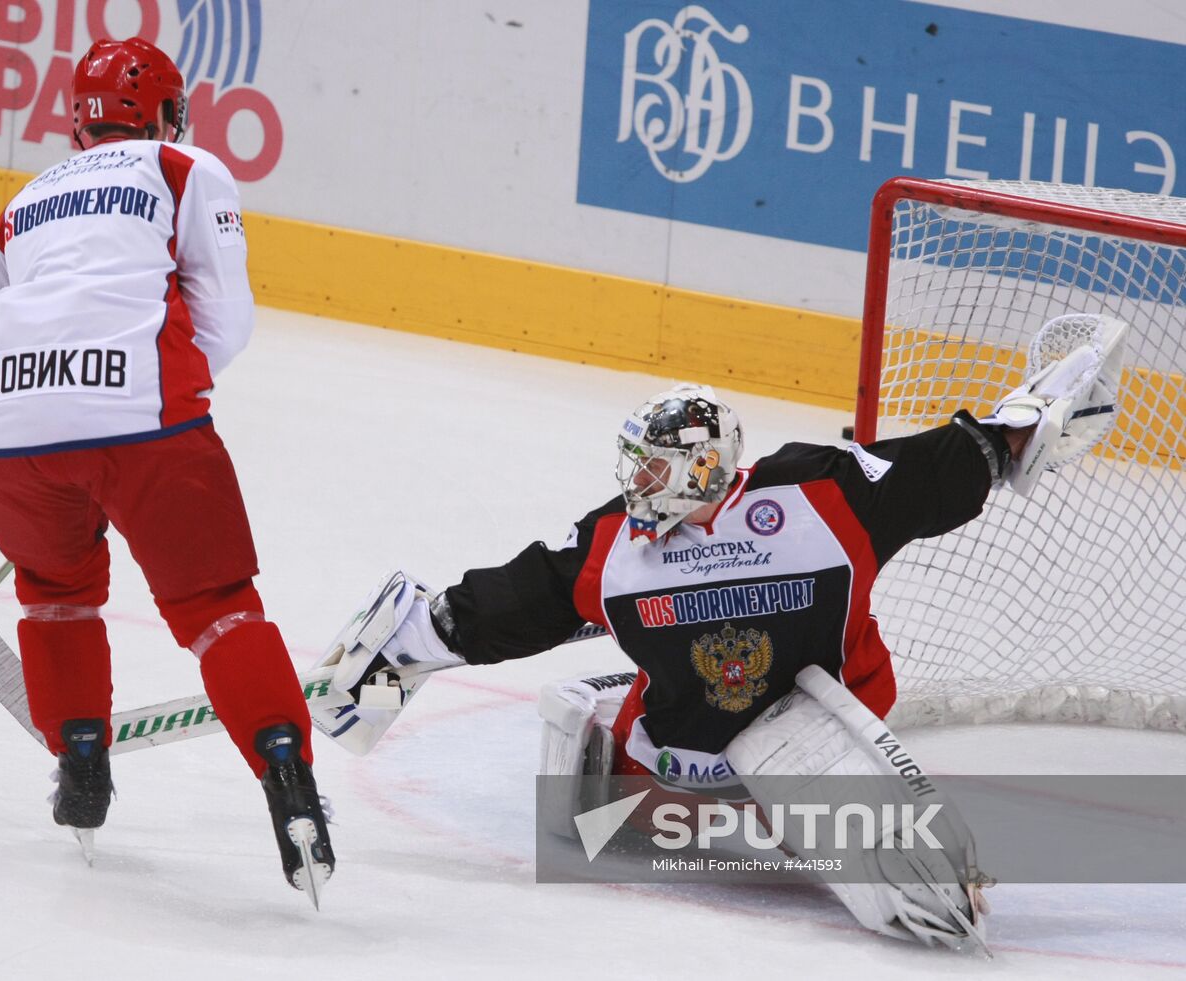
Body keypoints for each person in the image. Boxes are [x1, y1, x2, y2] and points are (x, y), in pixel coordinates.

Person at [322, 312, 1125, 947]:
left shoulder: (818, 494)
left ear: (703, 468)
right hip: (691, 768)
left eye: (652, 468)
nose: (634, 484)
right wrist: (410, 647)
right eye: (633, 466)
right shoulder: (665, 530)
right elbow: (508, 602)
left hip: (808, 735)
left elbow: (949, 463)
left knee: (837, 850)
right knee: (623, 800)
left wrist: (1033, 416)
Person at [0, 36, 332, 902]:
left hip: (1, 430)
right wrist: (140, 393)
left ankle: (79, 760)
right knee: (217, 607)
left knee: (54, 588)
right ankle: (289, 779)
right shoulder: (182, 165)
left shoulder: (21, 201)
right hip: (142, 420)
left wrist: (53, 420)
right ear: (163, 112)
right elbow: (224, 317)